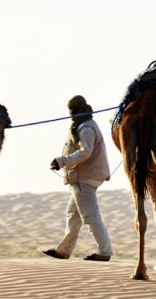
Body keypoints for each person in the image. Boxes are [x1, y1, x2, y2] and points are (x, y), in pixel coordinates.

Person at [41, 95, 113, 261]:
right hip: (81, 178)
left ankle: (105, 251)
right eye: (70, 110)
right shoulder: (82, 126)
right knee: (73, 214)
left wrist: (62, 161)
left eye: (75, 110)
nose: (72, 113)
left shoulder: (85, 128)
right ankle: (63, 250)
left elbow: (86, 152)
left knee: (90, 216)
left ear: (83, 109)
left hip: (84, 178)